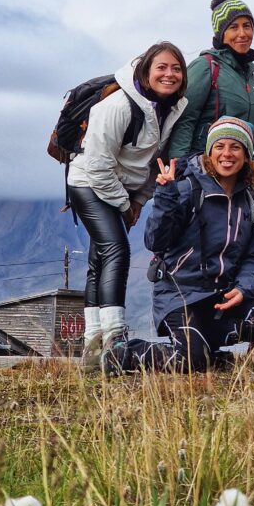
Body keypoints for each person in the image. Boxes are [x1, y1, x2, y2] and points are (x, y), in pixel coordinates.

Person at [105, 116, 254, 375]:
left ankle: (206, 348)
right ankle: (126, 352)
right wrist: (165, 195)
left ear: (247, 155)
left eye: (235, 147)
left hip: (222, 294)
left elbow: (252, 258)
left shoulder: (253, 204)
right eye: (219, 147)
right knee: (190, 361)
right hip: (180, 293)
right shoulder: (186, 189)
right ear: (209, 152)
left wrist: (243, 289)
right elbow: (155, 241)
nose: (227, 154)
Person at [67, 41, 189, 371]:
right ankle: (114, 338)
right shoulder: (118, 105)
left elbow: (154, 164)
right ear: (145, 71)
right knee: (116, 248)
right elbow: (96, 165)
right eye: (161, 67)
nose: (169, 74)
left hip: (119, 189)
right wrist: (125, 206)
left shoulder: (170, 109)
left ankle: (93, 351)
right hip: (88, 182)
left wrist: (137, 200)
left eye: (176, 68)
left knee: (99, 259)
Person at [169, 0, 254, 159]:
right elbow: (184, 119)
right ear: (221, 33)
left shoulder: (248, 74)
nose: (242, 33)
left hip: (236, 168)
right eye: (233, 27)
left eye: (247, 26)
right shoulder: (206, 66)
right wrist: (179, 168)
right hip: (202, 167)